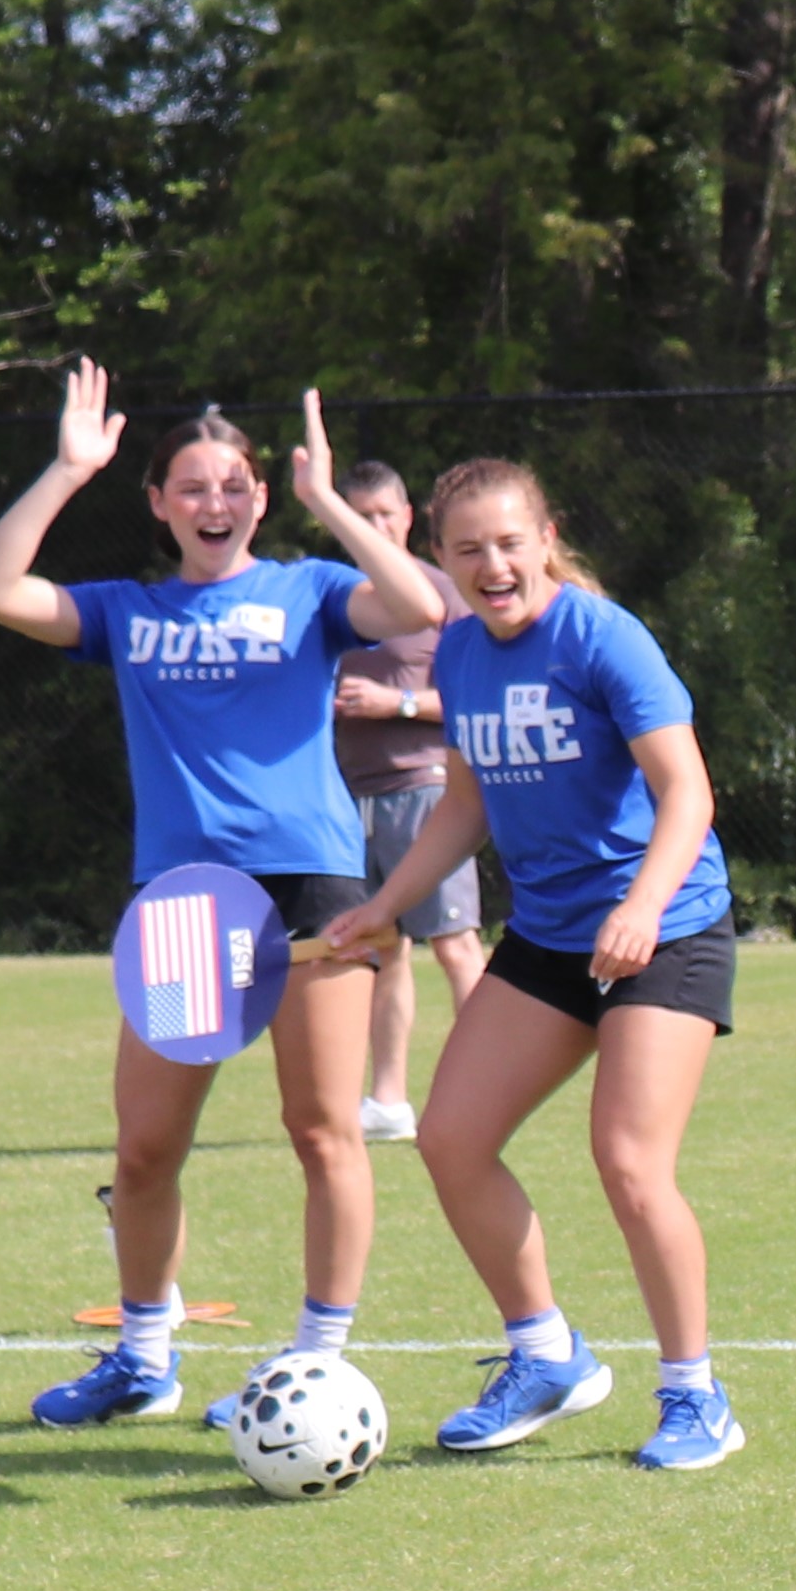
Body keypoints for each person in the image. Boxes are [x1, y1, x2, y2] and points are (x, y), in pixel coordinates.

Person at [0, 372, 447, 1425]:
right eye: (190, 486)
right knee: (145, 1148)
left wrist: (330, 503)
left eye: (233, 484)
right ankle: (144, 1360)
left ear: (259, 498)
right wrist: (65, 469)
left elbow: (420, 605)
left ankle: (319, 1360)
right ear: (157, 502)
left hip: (312, 887)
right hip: (188, 899)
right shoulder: (128, 613)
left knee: (322, 1128)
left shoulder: (310, 592)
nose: (213, 502)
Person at [314, 457, 748, 1470]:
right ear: (441, 558)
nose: (492, 564)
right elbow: (465, 805)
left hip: (667, 930)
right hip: (551, 939)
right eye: (468, 550)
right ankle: (546, 1354)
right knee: (451, 1137)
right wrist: (383, 905)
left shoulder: (605, 639)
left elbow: (687, 793)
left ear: (547, 538)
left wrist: (642, 909)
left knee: (631, 1163)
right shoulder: (458, 655)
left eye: (510, 542)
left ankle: (697, 1397)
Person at [328, 457, 491, 1141]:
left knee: (454, 944)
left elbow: (476, 691)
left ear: (405, 519)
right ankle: (388, 1101)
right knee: (381, 946)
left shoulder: (441, 595)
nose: (371, 528)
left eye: (381, 516)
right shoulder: (333, 595)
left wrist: (394, 700)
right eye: (355, 518)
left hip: (423, 790)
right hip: (346, 797)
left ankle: (492, 1079)